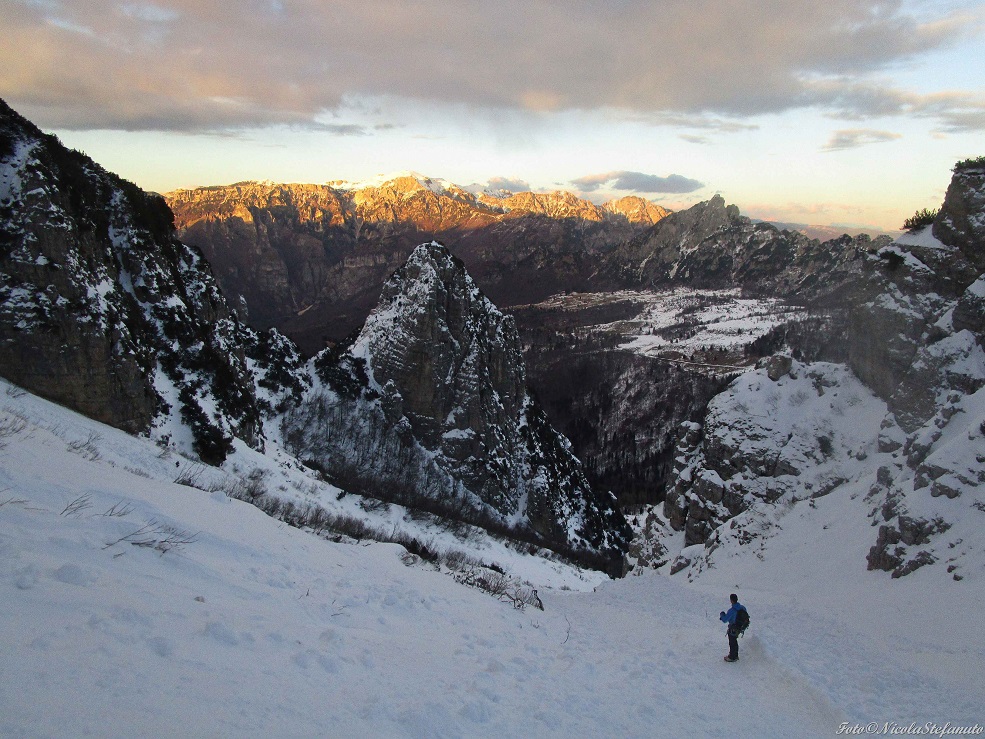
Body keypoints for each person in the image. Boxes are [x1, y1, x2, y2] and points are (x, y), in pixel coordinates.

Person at [719, 593, 747, 663]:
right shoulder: (742, 607)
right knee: (734, 641)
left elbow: (725, 620)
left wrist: (722, 615)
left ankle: (732, 657)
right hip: (740, 627)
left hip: (733, 628)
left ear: (731, 600)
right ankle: (735, 655)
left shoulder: (732, 610)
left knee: (732, 642)